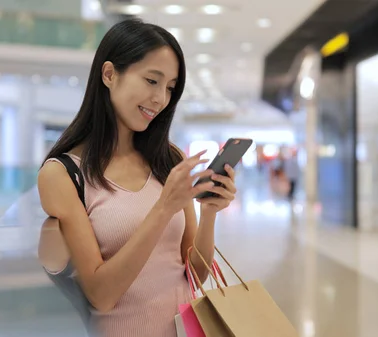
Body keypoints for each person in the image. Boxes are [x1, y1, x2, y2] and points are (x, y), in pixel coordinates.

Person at [37, 19, 238, 337]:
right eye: (151, 80)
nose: (161, 98)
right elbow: (101, 296)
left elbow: (194, 276)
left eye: (170, 87)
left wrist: (209, 212)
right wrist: (163, 209)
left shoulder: (168, 159)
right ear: (109, 74)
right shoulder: (63, 174)